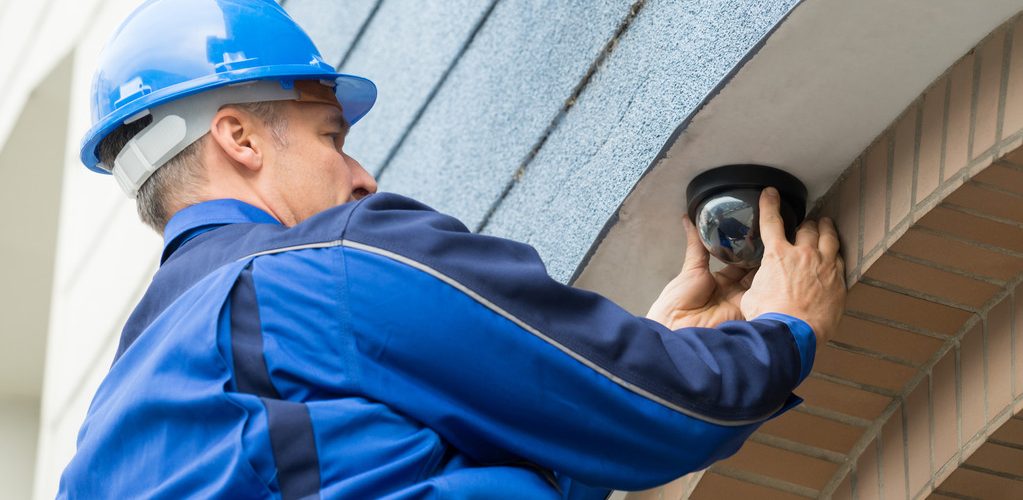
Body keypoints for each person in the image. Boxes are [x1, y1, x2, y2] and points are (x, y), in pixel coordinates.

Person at [58, 0, 846, 498]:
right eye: (332, 137)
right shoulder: (328, 269)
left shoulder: (99, 453)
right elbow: (657, 412)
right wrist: (776, 333)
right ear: (238, 138)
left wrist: (655, 350)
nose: (362, 177)